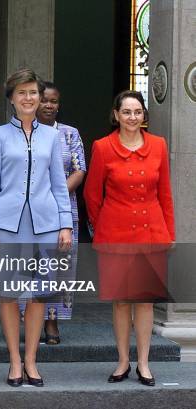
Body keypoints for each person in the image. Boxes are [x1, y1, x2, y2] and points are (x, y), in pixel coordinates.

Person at [0, 68, 72, 387]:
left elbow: (60, 185)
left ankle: (32, 360)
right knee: (8, 294)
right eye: (22, 92)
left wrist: (65, 223)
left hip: (46, 225)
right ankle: (14, 361)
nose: (29, 98)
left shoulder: (52, 136)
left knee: (40, 295)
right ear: (11, 99)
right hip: (7, 225)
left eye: (33, 92)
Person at [84, 90, 175, 387]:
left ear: (144, 115)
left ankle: (144, 364)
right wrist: (105, 228)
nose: (132, 117)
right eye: (126, 112)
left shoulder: (159, 146)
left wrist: (169, 234)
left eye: (137, 112)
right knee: (122, 301)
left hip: (152, 233)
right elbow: (92, 195)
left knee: (145, 302)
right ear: (116, 115)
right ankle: (123, 361)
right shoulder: (102, 147)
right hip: (115, 236)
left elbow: (165, 195)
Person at [18, 81, 87, 344]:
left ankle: (52, 321)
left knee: (60, 267)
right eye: (45, 100)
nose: (49, 105)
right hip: (28, 213)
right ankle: (29, 319)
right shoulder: (24, 133)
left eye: (54, 101)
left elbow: (80, 169)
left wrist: (53, 196)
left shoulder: (70, 134)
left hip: (63, 214)